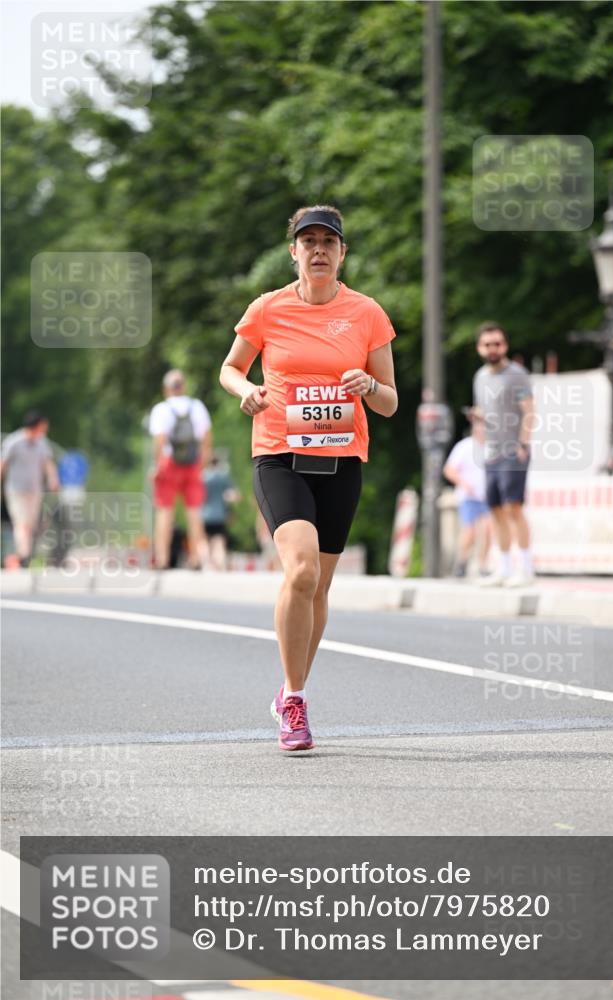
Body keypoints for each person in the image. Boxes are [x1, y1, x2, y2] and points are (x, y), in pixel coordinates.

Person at [220, 204, 398, 751]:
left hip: (342, 460)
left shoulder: (367, 313)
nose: (318, 249)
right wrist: (245, 391)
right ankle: (294, 701)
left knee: (319, 585)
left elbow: (390, 402)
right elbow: (230, 368)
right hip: (279, 453)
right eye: (308, 241)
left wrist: (368, 387)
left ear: (342, 253)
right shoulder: (267, 309)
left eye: (329, 241)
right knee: (299, 571)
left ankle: (291, 688)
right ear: (293, 252)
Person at [473, 321, 535, 587]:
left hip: (512, 450)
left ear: (505, 345)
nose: (493, 348)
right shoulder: (480, 377)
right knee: (496, 510)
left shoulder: (517, 374)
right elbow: (483, 411)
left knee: (514, 508)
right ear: (479, 348)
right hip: (491, 452)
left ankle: (526, 568)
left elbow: (529, 410)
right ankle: (505, 568)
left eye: (497, 343)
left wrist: (523, 444)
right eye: (488, 344)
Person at [148, 369, 212, 570]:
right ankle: (196, 557)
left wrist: (157, 465)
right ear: (183, 386)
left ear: (166, 388)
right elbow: (207, 437)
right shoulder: (197, 407)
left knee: (165, 512)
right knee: (194, 512)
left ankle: (162, 559)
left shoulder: (162, 409)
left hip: (169, 463)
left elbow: (159, 440)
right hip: (193, 464)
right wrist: (202, 462)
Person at [0, 410, 59, 567]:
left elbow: (48, 463)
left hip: (34, 490)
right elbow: (3, 464)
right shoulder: (13, 441)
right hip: (15, 490)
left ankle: (22, 554)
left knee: (31, 524)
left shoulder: (42, 443)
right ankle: (24, 556)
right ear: (36, 425)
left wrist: (53, 480)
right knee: (21, 522)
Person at [443, 409, 492, 578]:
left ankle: (483, 564)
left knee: (487, 530)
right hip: (469, 496)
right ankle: (462, 562)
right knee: (469, 531)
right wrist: (464, 483)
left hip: (486, 495)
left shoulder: (492, 448)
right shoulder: (464, 447)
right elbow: (449, 470)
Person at [199, 455, 240, 570]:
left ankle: (206, 564)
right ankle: (219, 563)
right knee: (219, 541)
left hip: (204, 514)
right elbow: (235, 495)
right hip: (220, 515)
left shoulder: (202, 477)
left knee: (204, 540)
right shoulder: (223, 477)